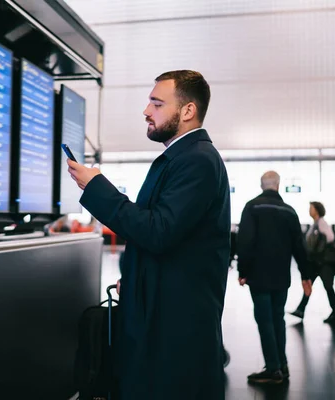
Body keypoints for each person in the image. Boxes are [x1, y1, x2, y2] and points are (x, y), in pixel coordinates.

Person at [67, 70, 231, 400]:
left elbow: (158, 231)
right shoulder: (180, 158)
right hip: (162, 316)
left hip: (175, 329)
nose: (146, 111)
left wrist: (96, 186)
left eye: (157, 103)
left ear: (187, 111)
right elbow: (160, 230)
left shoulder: (197, 160)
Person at [237, 171, 312, 385]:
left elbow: (246, 241)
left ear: (262, 186)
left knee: (264, 320)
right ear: (278, 186)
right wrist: (305, 275)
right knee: (278, 318)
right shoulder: (289, 211)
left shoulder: (252, 207)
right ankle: (282, 364)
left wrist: (243, 271)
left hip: (259, 276)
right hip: (281, 276)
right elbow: (299, 245)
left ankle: (272, 369)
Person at [290, 201, 335, 324]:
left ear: (317, 210)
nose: (309, 210)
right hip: (318, 262)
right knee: (311, 284)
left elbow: (330, 237)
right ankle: (301, 309)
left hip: (323, 262)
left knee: (328, 286)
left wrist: (320, 245)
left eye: (311, 208)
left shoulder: (321, 223)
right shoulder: (315, 224)